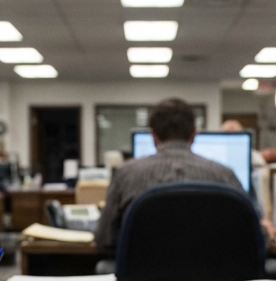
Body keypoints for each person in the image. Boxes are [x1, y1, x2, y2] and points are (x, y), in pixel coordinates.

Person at [94, 97, 249, 252]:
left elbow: (103, 238)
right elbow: (252, 236)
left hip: (142, 274)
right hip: (214, 274)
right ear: (194, 134)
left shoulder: (124, 174)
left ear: (153, 136)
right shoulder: (225, 175)